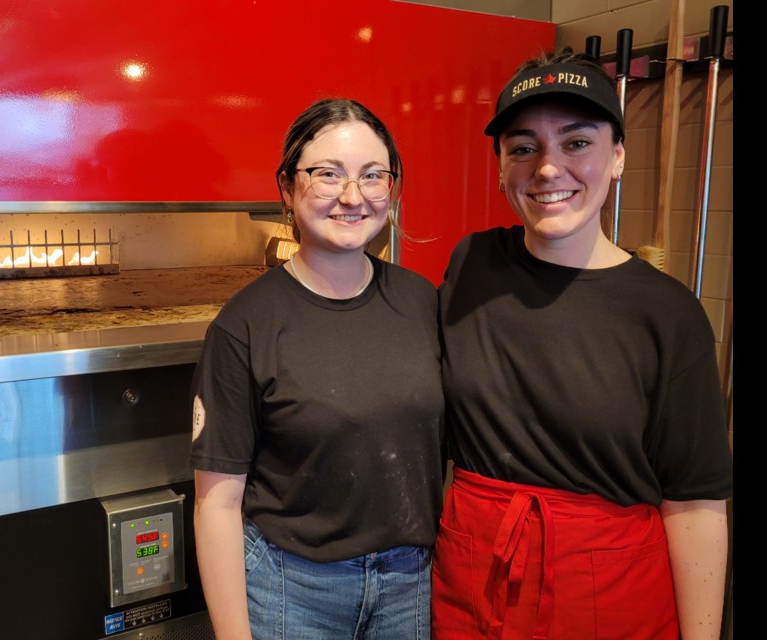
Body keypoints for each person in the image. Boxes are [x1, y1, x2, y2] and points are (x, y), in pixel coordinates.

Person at [432, 49, 733, 640]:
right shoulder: (470, 265)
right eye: (523, 147)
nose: (547, 169)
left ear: (617, 156)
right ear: (500, 166)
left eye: (576, 143)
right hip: (475, 580)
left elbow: (695, 504)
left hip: (611, 591)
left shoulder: (668, 313)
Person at [189, 98, 445, 640]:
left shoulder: (422, 302)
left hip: (411, 583)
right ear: (287, 186)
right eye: (327, 174)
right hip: (293, 588)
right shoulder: (246, 324)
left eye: (373, 176)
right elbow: (218, 503)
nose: (353, 197)